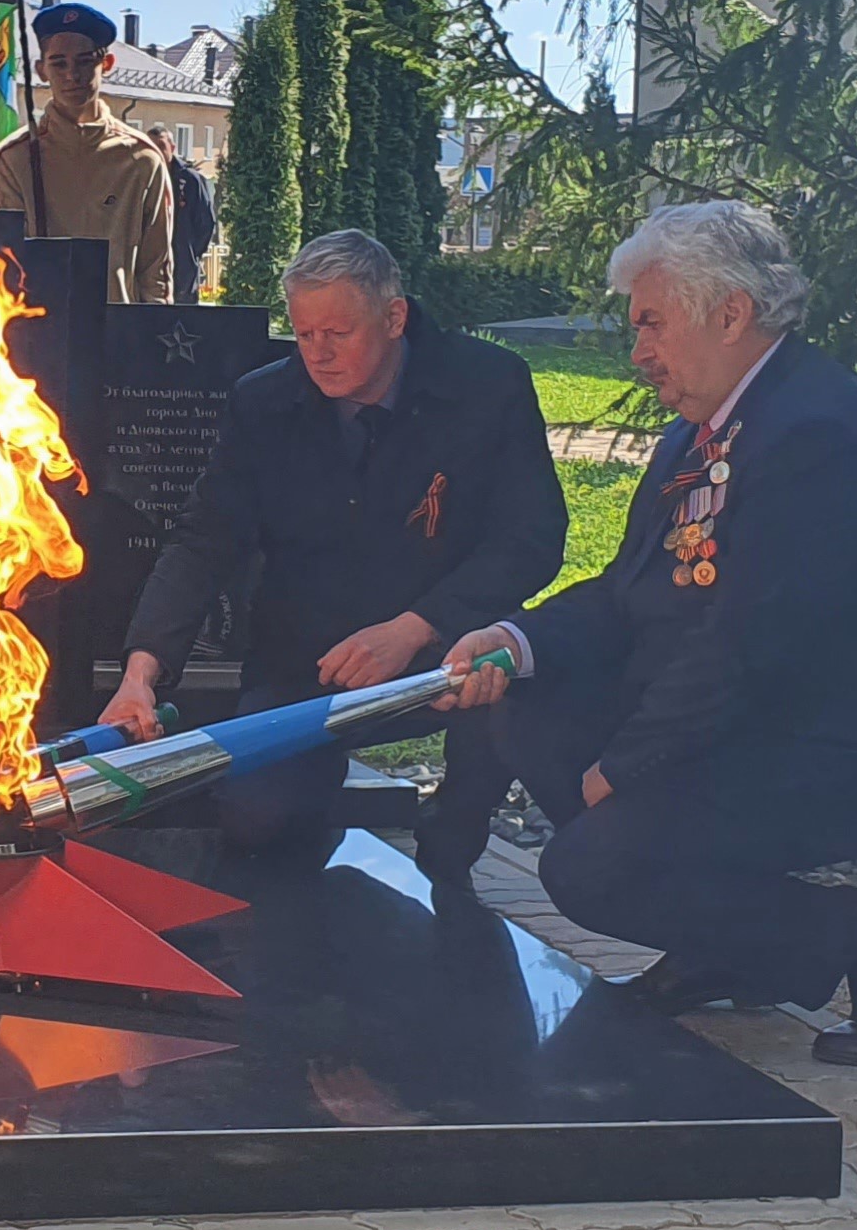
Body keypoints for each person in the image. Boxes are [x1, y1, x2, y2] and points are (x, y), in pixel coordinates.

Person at [442, 202, 857, 1066]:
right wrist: (512, 638)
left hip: (826, 744)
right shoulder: (706, 429)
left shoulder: (814, 435)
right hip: (745, 718)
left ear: (730, 314)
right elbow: (628, 592)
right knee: (526, 709)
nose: (636, 350)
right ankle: (721, 942)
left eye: (651, 322)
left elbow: (750, 645)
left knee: (588, 871)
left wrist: (625, 765)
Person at [104, 231, 564, 873]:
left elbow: (532, 537)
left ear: (394, 317)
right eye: (304, 334)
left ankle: (462, 808)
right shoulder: (263, 402)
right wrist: (141, 673)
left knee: (498, 691)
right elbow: (204, 540)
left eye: (337, 334)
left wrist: (414, 629)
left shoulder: (489, 386)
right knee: (256, 819)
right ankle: (312, 806)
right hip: (308, 664)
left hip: (446, 650)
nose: (316, 355)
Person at [0, 3, 175, 302]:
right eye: (58, 63)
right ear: (41, 70)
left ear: (107, 64)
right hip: (38, 334)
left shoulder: (141, 159)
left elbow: (156, 272)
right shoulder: (14, 158)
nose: (72, 75)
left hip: (117, 337)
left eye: (85, 61)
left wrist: (152, 341)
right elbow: (0, 265)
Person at [165, 134, 218, 303]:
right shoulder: (143, 175)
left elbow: (206, 223)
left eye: (160, 146)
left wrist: (191, 252)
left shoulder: (189, 179)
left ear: (172, 148)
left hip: (183, 264)